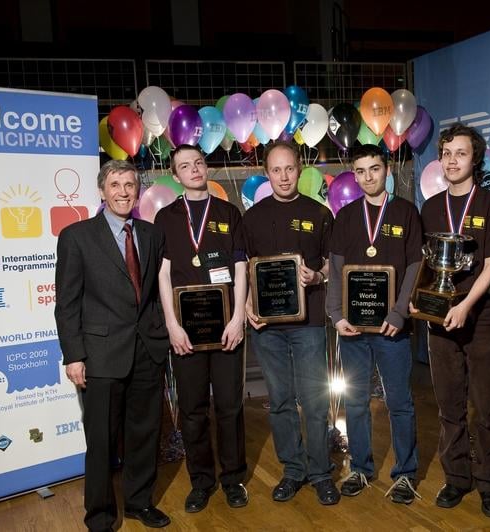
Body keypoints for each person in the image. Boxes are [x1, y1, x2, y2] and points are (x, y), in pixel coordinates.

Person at [55, 159, 171, 531]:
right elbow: (67, 303)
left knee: (144, 434)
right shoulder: (76, 236)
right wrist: (73, 355)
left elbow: (151, 294)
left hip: (146, 352)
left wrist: (160, 336)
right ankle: (101, 516)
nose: (123, 192)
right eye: (116, 185)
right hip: (100, 356)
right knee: (102, 442)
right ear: (102, 191)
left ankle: (139, 503)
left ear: (137, 191)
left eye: (130, 185)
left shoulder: (151, 235)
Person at [414, 124, 490, 517]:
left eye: (461, 153)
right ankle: (456, 478)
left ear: (476, 159)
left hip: (481, 318)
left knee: (486, 407)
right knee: (449, 405)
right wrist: (421, 305)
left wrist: (466, 305)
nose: (452, 160)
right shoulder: (430, 207)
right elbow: (427, 264)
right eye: (447, 153)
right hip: (440, 321)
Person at [242, 141, 339, 505]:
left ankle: (320, 473)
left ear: (300, 170)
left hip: (309, 323)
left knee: (314, 401)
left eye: (289, 169)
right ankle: (292, 470)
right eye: (276, 170)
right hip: (267, 328)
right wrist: (249, 301)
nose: (284, 176)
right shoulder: (250, 218)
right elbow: (243, 271)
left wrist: (317, 276)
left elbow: (332, 264)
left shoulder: (319, 213)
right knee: (280, 401)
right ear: (266, 174)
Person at [154, 144, 249, 513]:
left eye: (198, 163)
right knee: (192, 410)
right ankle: (202, 481)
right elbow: (163, 276)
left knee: (229, 407)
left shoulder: (229, 212)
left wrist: (239, 317)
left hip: (226, 328)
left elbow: (240, 268)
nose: (193, 170)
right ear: (175, 176)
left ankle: (233, 478)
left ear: (205, 167)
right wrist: (172, 326)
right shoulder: (165, 218)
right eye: (184, 166)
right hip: (186, 333)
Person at [326, 144, 422, 504]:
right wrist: (336, 314)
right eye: (361, 171)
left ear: (387, 171)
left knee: (400, 401)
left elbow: (414, 266)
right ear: (355, 174)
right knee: (355, 403)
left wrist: (399, 313)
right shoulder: (346, 216)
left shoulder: (406, 212)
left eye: (374, 169)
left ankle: (406, 473)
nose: (368, 177)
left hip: (392, 328)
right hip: (353, 328)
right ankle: (361, 469)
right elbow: (335, 269)